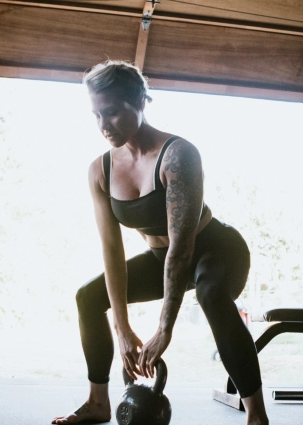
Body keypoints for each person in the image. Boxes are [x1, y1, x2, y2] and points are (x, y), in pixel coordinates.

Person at [52, 61, 269, 425]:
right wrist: (122, 330)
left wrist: (163, 329)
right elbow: (112, 251)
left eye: (113, 112)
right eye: (96, 115)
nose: (103, 125)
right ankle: (97, 402)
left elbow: (181, 250)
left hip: (214, 249)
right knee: (88, 297)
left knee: (211, 294)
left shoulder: (179, 155)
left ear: (141, 101)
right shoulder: (100, 171)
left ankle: (257, 417)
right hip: (159, 257)